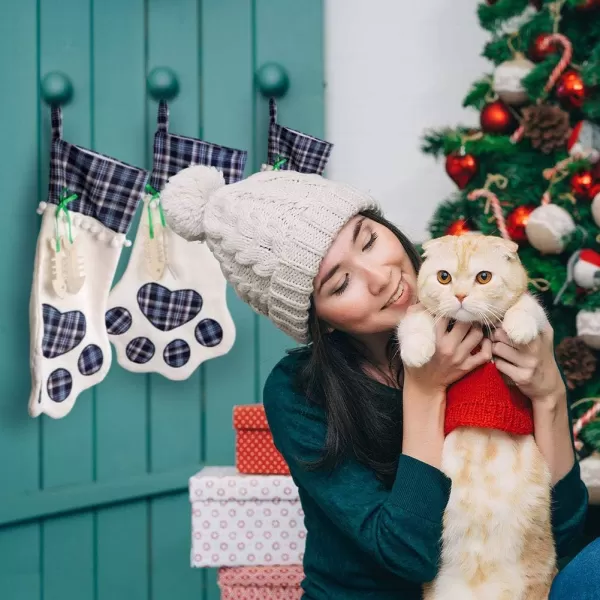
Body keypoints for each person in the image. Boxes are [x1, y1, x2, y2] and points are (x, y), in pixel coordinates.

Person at [161, 165, 596, 600]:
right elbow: (407, 554)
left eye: (368, 240)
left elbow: (565, 535)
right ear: (321, 323)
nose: (380, 277)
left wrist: (549, 394)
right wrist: (426, 390)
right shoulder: (297, 391)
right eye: (341, 283)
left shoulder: (478, 315)